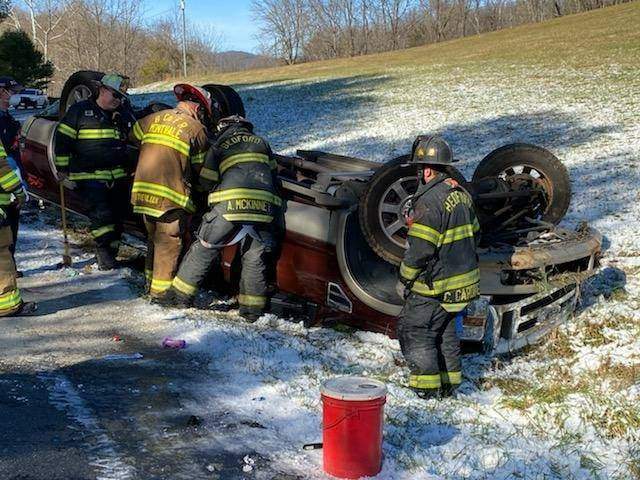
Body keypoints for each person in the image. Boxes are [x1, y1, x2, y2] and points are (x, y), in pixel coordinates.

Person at [160, 114, 282, 322]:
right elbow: (273, 173)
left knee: (205, 247)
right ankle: (252, 311)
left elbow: (206, 181)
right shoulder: (262, 143)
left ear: (224, 127)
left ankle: (179, 297)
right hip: (264, 207)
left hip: (228, 206)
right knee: (254, 256)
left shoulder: (219, 145)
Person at [397, 136, 480, 399]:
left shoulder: (429, 202)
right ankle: (450, 383)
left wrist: (405, 277)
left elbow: (421, 250)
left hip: (436, 285)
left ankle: (426, 390)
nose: (419, 175)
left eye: (419, 169)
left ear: (428, 169)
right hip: (463, 283)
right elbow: (475, 234)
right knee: (444, 332)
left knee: (416, 331)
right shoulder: (461, 195)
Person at [129, 84, 210, 300]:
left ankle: (149, 283)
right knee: (168, 248)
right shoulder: (196, 130)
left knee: (154, 240)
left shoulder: (153, 118)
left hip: (143, 196)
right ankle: (160, 296)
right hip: (170, 201)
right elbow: (202, 173)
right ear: (198, 108)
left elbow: (133, 137)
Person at [53, 73, 132, 270]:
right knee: (102, 218)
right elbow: (62, 141)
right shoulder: (80, 111)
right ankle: (106, 260)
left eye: (121, 97)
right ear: (102, 90)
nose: (118, 100)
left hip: (116, 177)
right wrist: (62, 168)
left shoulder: (121, 115)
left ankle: (112, 254)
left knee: (118, 219)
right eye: (115, 95)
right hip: (89, 177)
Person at [0, 77, 27, 268]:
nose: (14, 96)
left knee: (11, 233)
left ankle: (11, 267)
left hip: (12, 186)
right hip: (5, 189)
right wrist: (16, 188)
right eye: (12, 91)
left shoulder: (7, 117)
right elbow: (4, 161)